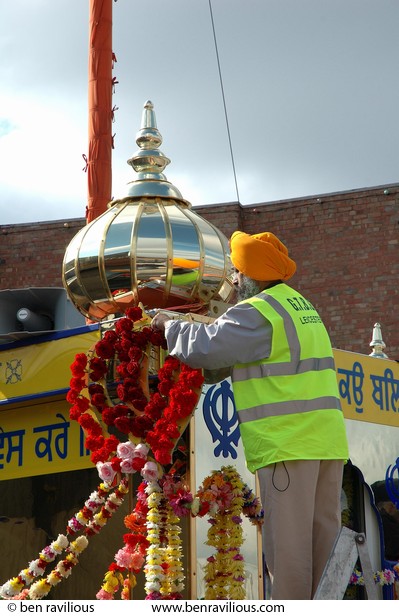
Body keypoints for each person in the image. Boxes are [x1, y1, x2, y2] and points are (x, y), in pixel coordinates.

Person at [151, 230, 349, 600]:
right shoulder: (300, 305)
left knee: (289, 554)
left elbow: (208, 350)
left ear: (253, 274)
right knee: (323, 550)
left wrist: (168, 325)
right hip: (326, 443)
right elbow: (230, 356)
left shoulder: (259, 311)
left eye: (238, 271)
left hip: (287, 445)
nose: (235, 279)